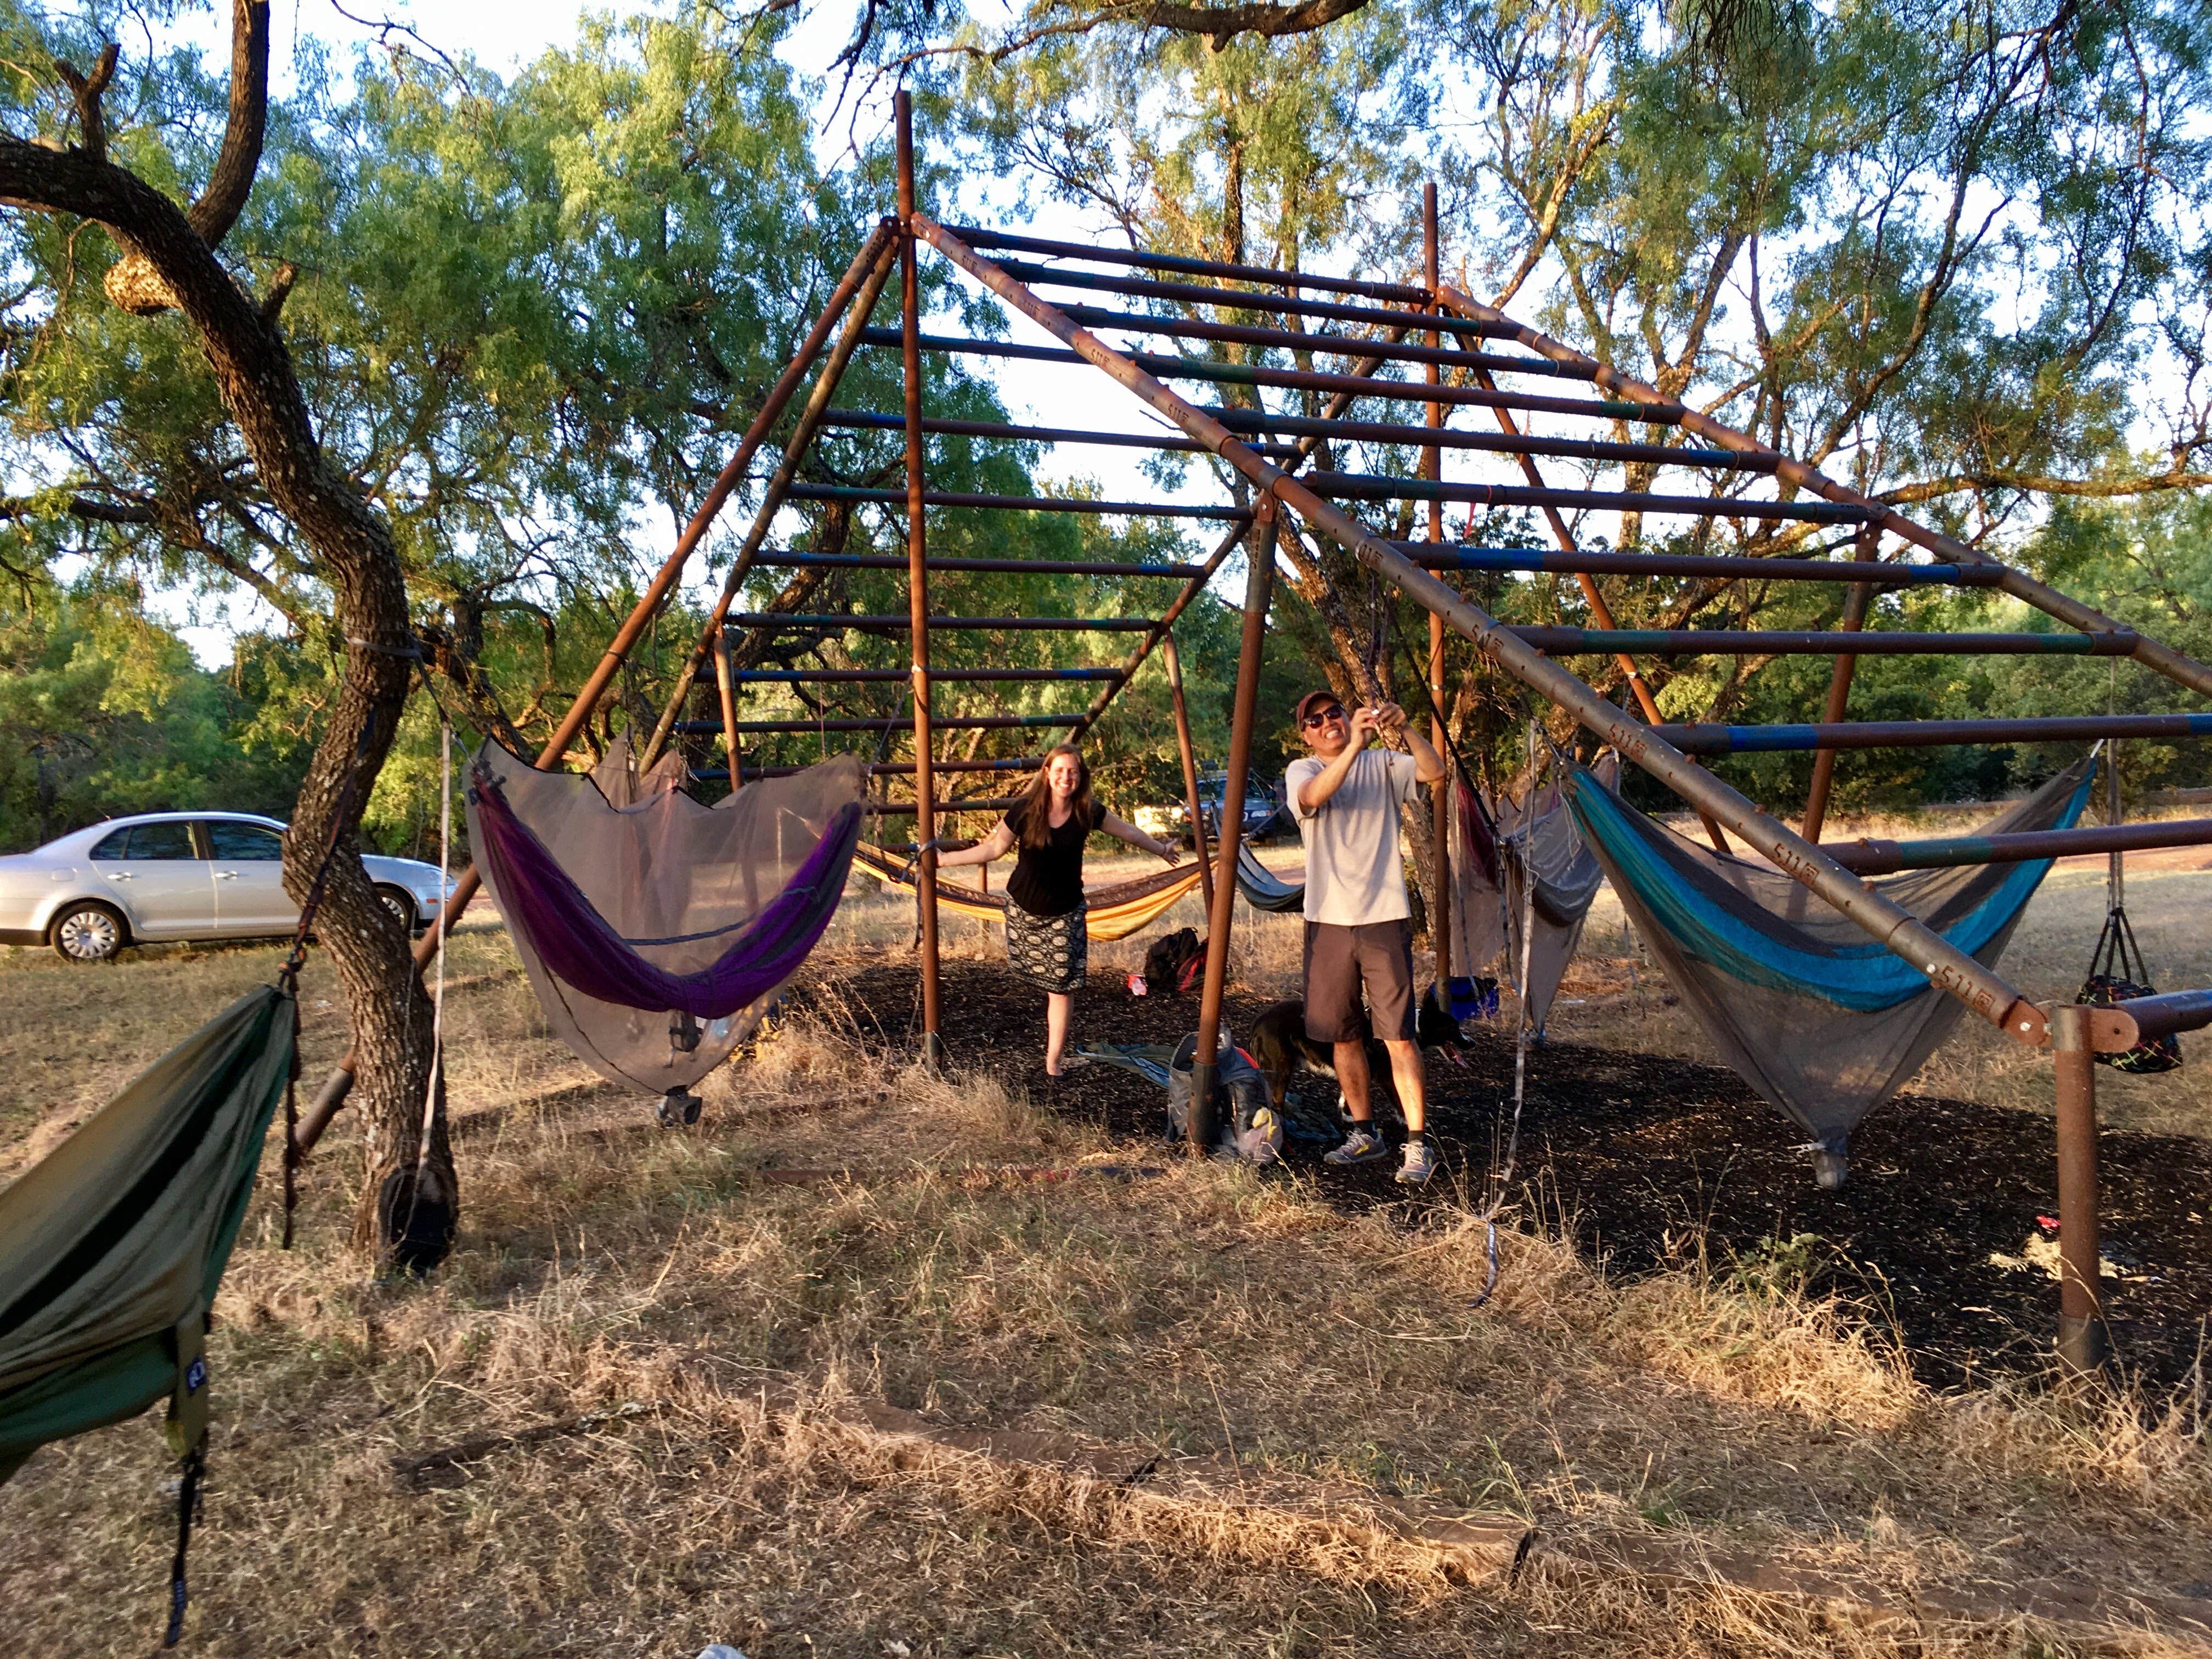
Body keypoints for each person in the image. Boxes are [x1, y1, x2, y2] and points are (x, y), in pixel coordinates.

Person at [936, 744, 1182, 1075]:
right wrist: (944, 860)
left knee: (1061, 988)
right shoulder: (1025, 809)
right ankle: (1053, 1051)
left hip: (1065, 914)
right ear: (1048, 774)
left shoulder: (1088, 811)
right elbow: (994, 848)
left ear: (1080, 778)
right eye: (1061, 770)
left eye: (1073, 772)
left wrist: (1161, 850)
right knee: (1034, 977)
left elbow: (1130, 833)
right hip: (1023, 910)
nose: (1067, 777)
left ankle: (1054, 1062)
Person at [1284, 688, 1447, 1184]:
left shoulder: (1384, 762)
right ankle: (1365, 1133)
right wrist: (1354, 744)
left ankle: (1417, 1146)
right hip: (1328, 921)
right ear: (1305, 735)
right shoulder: (1303, 771)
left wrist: (1406, 728)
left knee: (1399, 1035)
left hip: (1383, 916)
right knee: (1343, 1035)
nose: (1328, 722)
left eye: (1334, 713)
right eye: (1315, 720)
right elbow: (1314, 799)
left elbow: (1436, 772)